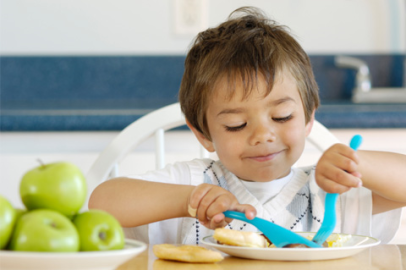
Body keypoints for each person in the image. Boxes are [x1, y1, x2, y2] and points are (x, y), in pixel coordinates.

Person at [89, 7, 406, 245]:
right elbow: (103, 201)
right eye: (236, 124)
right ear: (203, 133)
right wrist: (189, 200)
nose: (262, 135)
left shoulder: (331, 195)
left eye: (282, 117)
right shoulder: (195, 181)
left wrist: (357, 164)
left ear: (309, 117)